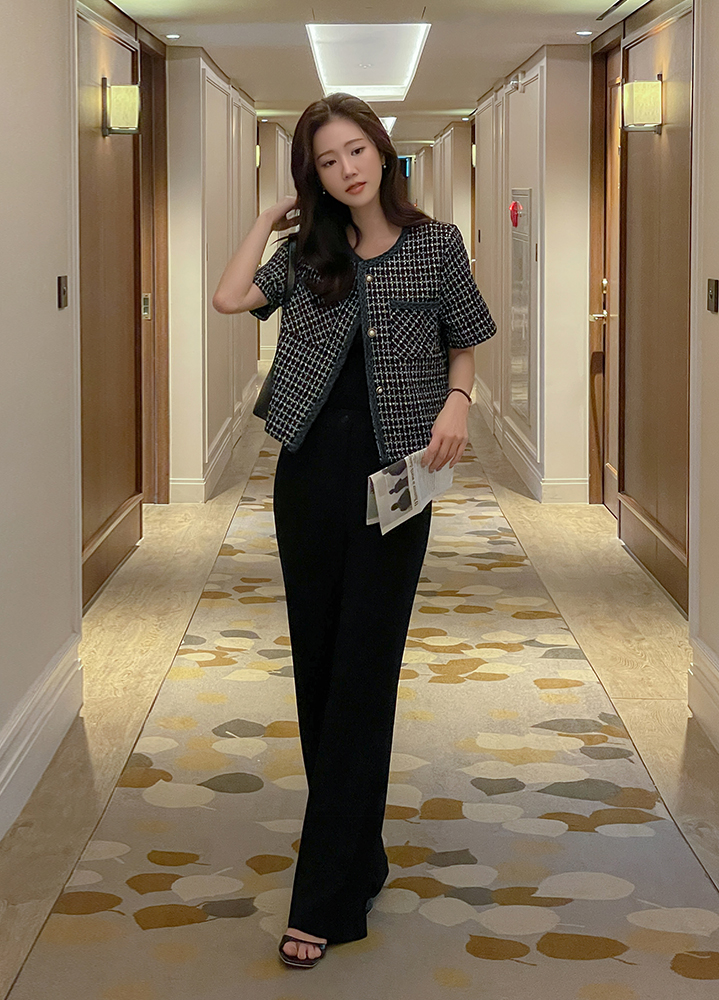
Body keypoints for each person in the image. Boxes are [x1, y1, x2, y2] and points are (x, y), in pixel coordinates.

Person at [212, 92, 495, 969]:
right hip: (308, 473)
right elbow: (229, 297)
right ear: (317, 177)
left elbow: (465, 337)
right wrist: (269, 216)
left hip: (395, 477)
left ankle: (325, 897)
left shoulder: (437, 244)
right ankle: (359, 856)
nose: (347, 170)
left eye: (356, 151)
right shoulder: (308, 253)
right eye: (327, 161)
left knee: (364, 674)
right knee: (319, 669)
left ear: (382, 149)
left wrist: (457, 400)